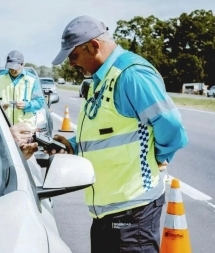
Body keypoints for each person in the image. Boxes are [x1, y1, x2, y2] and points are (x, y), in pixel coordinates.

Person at [51, 15, 188, 253]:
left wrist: (157, 157)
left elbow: (171, 124)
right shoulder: (101, 79)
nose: (71, 64)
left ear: (93, 46)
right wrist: (72, 145)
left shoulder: (130, 75)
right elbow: (109, 132)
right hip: (107, 211)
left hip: (133, 214)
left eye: (73, 56)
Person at [0, 50, 45, 130]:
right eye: (10, 67)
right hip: (5, 127)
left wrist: (26, 105)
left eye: (15, 67)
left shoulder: (32, 80)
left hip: (25, 128)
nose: (12, 70)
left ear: (22, 64)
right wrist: (0, 105)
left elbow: (40, 102)